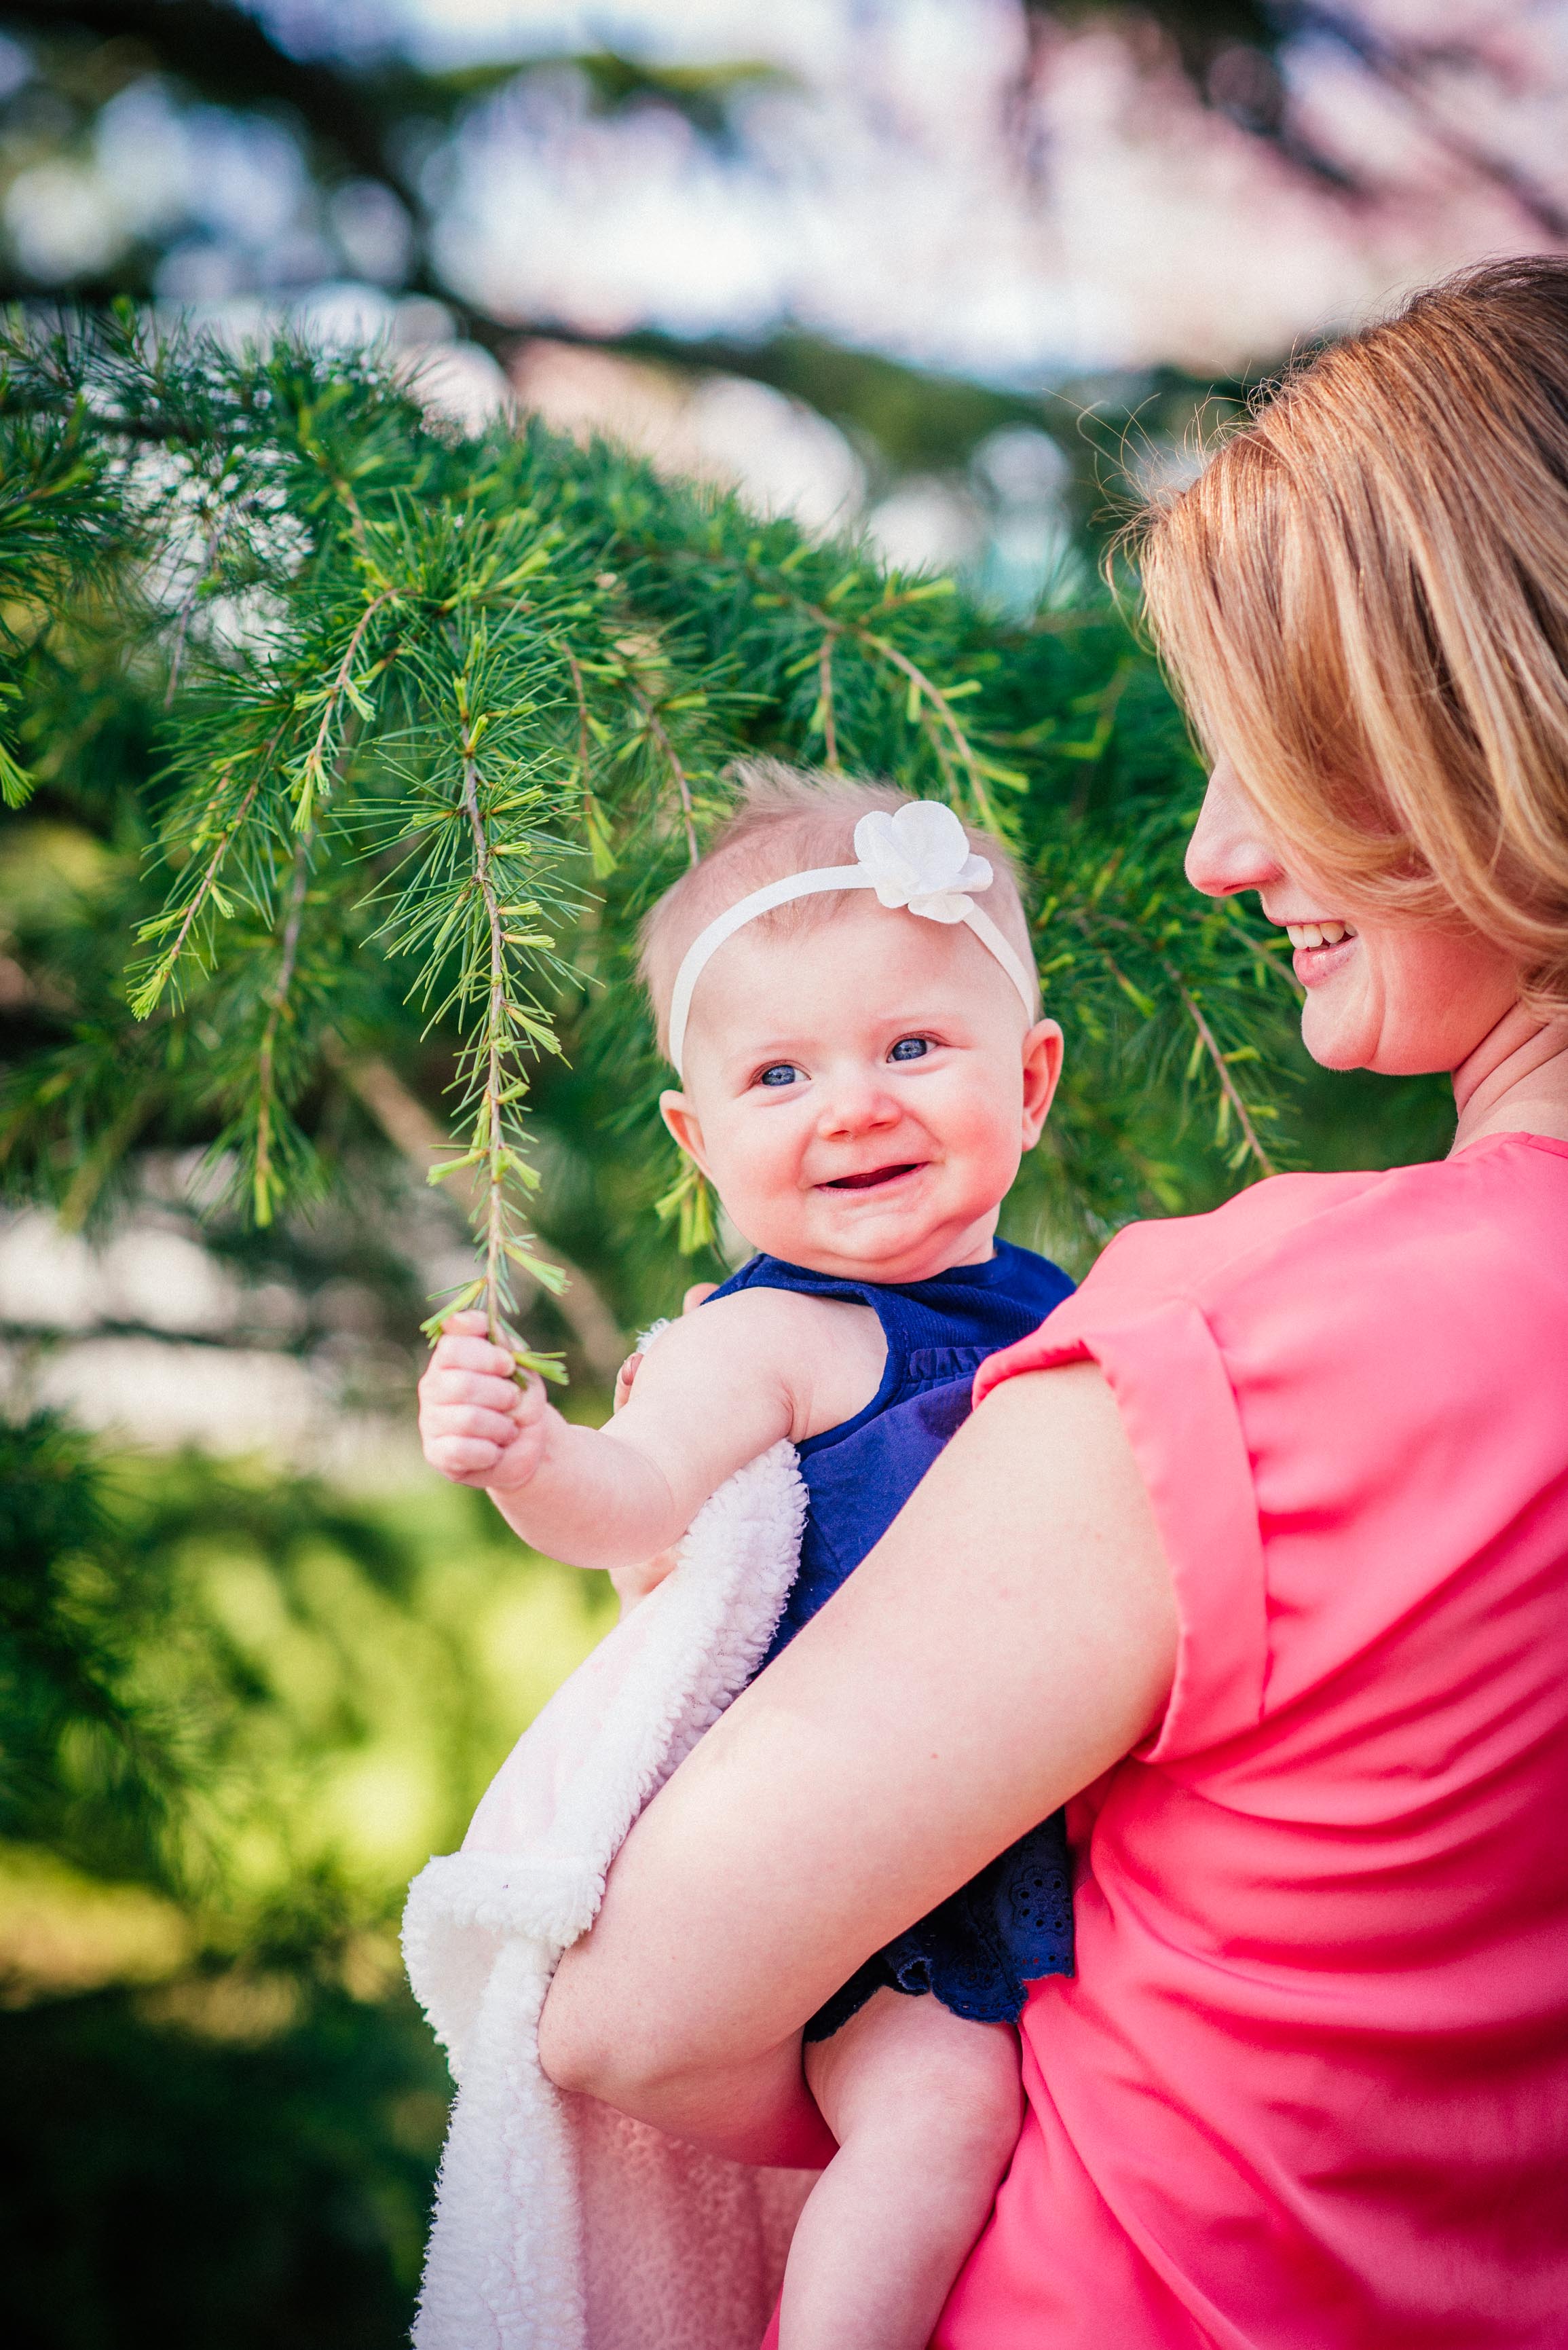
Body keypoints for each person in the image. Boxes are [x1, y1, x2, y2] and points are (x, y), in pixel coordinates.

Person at [534, 255, 1568, 2349]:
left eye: (1279, 752)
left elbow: (639, 2011)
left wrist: (916, 2120)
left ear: (1485, 729)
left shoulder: (1253, 1339)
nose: (1209, 851)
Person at [418, 767, 1081, 2349]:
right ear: (697, 1135)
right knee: (940, 2121)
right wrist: (533, 1459)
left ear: (1033, 1080)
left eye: (913, 1047)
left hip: (1038, 1814)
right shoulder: (774, 1337)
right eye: (780, 1074)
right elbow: (635, 1496)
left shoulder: (1068, 1309)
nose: (853, 1103)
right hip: (870, 1874)